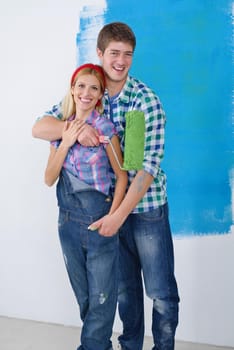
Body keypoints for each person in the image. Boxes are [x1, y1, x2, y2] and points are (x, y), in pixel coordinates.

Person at [33, 22, 180, 350]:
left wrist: (118, 217)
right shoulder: (89, 91)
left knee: (159, 291)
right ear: (100, 54)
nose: (121, 60)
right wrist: (73, 128)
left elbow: (142, 170)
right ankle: (131, 346)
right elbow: (41, 127)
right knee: (125, 292)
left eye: (128, 54)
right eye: (114, 53)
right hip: (105, 207)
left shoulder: (142, 102)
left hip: (144, 208)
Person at [43, 63, 128, 350]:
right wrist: (66, 141)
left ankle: (91, 346)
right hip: (67, 224)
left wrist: (113, 217)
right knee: (87, 298)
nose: (86, 92)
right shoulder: (61, 126)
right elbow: (48, 178)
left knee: (103, 298)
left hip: (98, 224)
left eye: (94, 88)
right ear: (72, 89)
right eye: (81, 86)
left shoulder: (105, 128)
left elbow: (121, 176)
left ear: (101, 94)